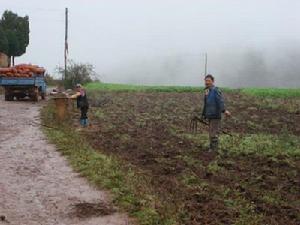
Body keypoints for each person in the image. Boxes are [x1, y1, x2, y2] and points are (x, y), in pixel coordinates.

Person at [201, 74, 230, 151]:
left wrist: (224, 110)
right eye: (206, 81)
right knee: (211, 132)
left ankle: (214, 149)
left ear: (213, 81)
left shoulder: (215, 90)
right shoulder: (207, 91)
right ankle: (212, 147)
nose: (207, 82)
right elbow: (206, 104)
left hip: (215, 115)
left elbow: (220, 101)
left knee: (213, 132)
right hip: (209, 115)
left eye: (209, 81)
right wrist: (204, 114)